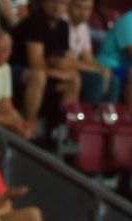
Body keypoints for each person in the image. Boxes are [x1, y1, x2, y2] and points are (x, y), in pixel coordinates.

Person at [9, 0, 79, 132]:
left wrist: (65, 69)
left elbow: (68, 60)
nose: (58, 7)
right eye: (54, 2)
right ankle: (29, 128)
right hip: (15, 70)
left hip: (45, 72)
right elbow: (35, 63)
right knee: (38, 77)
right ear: (43, 3)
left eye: (63, 3)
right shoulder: (34, 22)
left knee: (74, 80)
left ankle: (61, 132)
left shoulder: (63, 26)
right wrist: (60, 72)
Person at [66, 0, 114, 104]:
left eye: (87, 9)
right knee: (96, 79)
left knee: (113, 80)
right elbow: (67, 61)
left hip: (76, 67)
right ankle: (89, 111)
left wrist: (100, 69)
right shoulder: (62, 23)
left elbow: (88, 57)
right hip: (65, 69)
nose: (83, 12)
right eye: (79, 7)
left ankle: (107, 112)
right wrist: (96, 69)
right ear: (69, 5)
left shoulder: (83, 27)